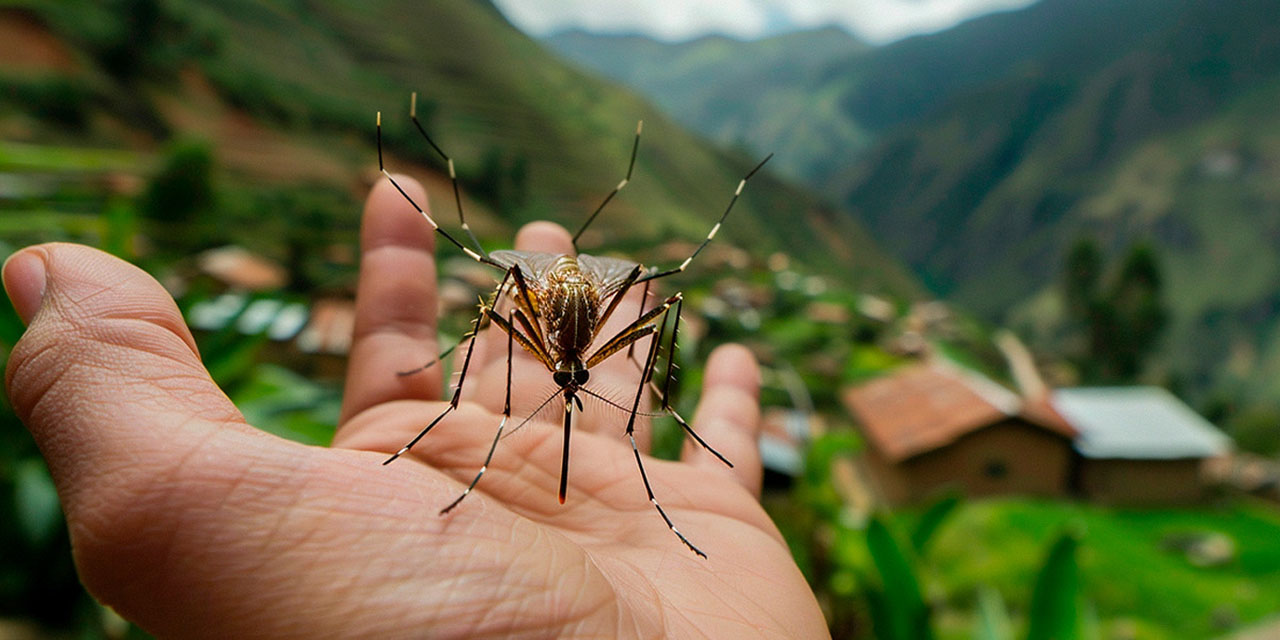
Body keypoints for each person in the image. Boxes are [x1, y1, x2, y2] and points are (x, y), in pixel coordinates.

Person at [3, 175, 830, 638]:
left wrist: (664, 403)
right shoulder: (542, 324)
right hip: (560, 308)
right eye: (570, 377)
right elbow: (511, 293)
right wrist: (450, 388)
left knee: (664, 292)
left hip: (585, 311)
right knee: (513, 288)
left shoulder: (592, 346)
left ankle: (656, 406)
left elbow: (654, 307)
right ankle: (448, 387)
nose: (570, 387)